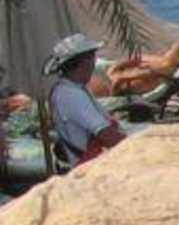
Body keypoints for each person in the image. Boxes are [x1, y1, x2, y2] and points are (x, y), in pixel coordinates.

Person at [44, 33, 126, 168]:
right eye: (92, 57)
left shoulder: (72, 88)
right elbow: (107, 135)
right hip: (91, 165)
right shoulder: (71, 95)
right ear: (84, 62)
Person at [92, 37, 179, 98]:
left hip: (123, 88)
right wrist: (115, 68)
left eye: (172, 49)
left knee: (92, 89)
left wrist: (118, 79)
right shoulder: (160, 60)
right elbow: (136, 59)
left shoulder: (168, 68)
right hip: (116, 78)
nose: (167, 50)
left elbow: (146, 73)